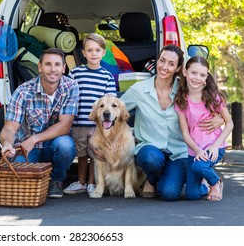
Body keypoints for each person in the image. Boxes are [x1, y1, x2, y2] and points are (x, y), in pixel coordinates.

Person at [119, 44, 223, 201]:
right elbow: (114, 110)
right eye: (162, 61)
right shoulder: (139, 90)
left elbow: (212, 103)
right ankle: (151, 179)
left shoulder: (186, 90)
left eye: (171, 64)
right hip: (150, 149)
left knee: (169, 193)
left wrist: (220, 118)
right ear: (157, 61)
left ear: (179, 68)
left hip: (179, 151)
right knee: (151, 159)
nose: (164, 67)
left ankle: (200, 183)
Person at [0, 47, 79, 199]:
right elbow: (9, 128)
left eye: (57, 65)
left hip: (52, 145)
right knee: (18, 174)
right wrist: (7, 143)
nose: (53, 69)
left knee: (66, 146)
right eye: (48, 64)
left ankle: (56, 180)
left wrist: (34, 139)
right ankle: (37, 176)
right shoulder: (23, 91)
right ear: (40, 67)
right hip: (27, 150)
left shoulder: (71, 87)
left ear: (64, 68)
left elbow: (65, 125)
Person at [63, 33, 117, 196]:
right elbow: (69, 96)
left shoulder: (107, 76)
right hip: (79, 123)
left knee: (95, 154)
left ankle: (92, 183)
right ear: (83, 53)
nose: (93, 53)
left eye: (97, 50)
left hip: (97, 126)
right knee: (81, 154)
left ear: (103, 53)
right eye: (90, 50)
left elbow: (109, 102)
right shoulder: (75, 73)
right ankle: (81, 182)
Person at [174, 56, 233, 201]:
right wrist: (197, 150)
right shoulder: (181, 101)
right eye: (193, 73)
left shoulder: (213, 97)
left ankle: (215, 182)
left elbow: (229, 123)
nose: (197, 78)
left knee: (199, 167)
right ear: (185, 72)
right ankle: (205, 185)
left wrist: (215, 146)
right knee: (192, 195)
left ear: (207, 77)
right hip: (195, 151)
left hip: (214, 147)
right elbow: (185, 134)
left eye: (202, 75)